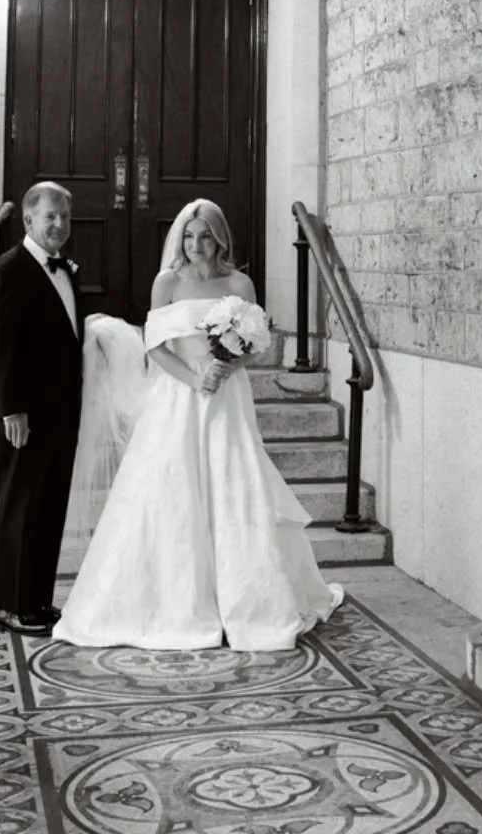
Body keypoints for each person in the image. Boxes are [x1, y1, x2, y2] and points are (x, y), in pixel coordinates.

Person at [52, 199, 343, 651]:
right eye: (189, 236)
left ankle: (248, 601)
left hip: (227, 397)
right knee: (172, 487)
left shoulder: (240, 282)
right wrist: (194, 377)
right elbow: (154, 346)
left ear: (219, 238)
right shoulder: (167, 283)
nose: (196, 245)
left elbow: (256, 341)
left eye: (205, 235)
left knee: (234, 484)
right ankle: (177, 603)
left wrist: (228, 365)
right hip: (177, 397)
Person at [0, 181, 83, 636]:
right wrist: (12, 409)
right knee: (19, 508)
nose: (58, 224)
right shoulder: (8, 270)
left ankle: (38, 599)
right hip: (24, 416)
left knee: (48, 509)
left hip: (62, 412)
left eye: (64, 217)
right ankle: (10, 606)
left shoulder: (67, 271)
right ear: (28, 220)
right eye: (49, 217)